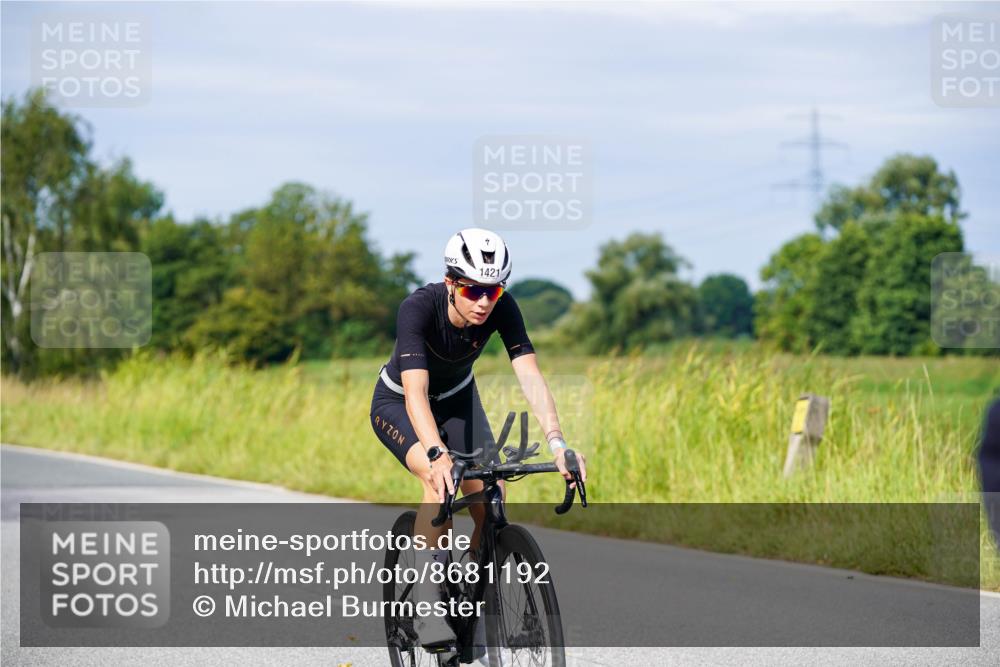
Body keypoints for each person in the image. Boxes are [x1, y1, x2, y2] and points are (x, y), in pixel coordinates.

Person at [370, 227, 588, 653]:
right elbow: (416, 393)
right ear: (451, 283)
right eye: (473, 290)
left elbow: (530, 376)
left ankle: (471, 595)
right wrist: (437, 455)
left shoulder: (502, 308)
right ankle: (430, 606)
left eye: (494, 290)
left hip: (456, 400)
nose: (485, 301)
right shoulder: (417, 308)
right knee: (439, 482)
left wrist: (559, 444)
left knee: (491, 498)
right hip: (399, 402)